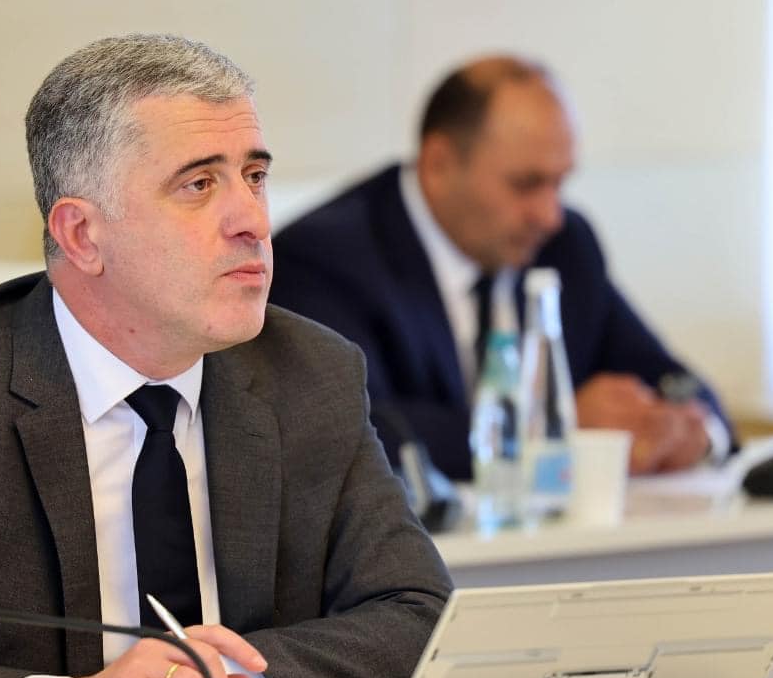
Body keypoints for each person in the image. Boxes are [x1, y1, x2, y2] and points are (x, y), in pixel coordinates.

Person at [0, 33, 452, 678]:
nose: (254, 221)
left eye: (254, 176)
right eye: (199, 184)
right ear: (81, 234)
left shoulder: (311, 375)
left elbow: (419, 621)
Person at [270, 55, 731, 481]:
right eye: (526, 184)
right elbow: (350, 433)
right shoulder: (324, 259)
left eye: (559, 183)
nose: (549, 215)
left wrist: (694, 431)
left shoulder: (565, 246)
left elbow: (672, 380)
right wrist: (547, 429)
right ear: (439, 164)